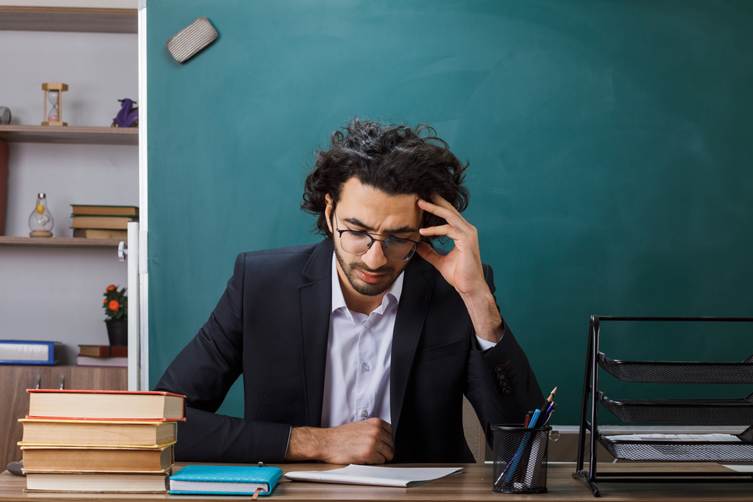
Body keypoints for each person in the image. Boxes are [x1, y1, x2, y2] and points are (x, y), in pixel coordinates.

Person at [155, 119, 543, 464]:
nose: (375, 259)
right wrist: (312, 442)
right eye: (357, 232)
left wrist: (478, 301)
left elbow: (524, 450)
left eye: (398, 238)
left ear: (424, 228)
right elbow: (164, 423)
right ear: (329, 212)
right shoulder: (258, 285)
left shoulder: (457, 291)